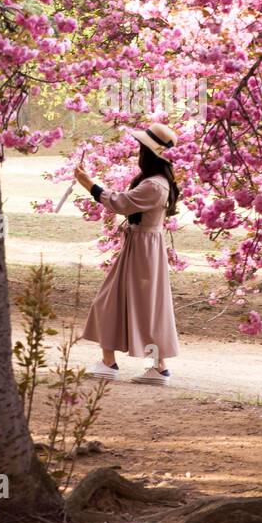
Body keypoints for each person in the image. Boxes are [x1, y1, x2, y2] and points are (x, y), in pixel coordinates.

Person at [74, 123, 180, 386]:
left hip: (143, 250)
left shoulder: (155, 186)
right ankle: (127, 363)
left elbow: (121, 203)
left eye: (141, 149)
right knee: (128, 303)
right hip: (142, 247)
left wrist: (90, 185)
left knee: (136, 305)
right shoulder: (155, 182)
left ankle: (148, 366)